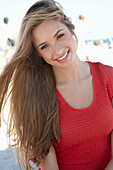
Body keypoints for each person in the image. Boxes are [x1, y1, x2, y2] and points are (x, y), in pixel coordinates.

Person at [0, 0, 113, 169]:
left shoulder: (108, 77)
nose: (58, 51)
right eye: (45, 46)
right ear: (38, 53)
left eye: (60, 36)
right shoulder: (37, 93)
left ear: (71, 28)